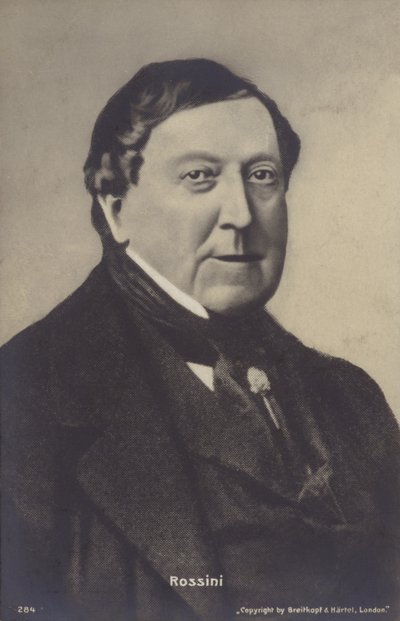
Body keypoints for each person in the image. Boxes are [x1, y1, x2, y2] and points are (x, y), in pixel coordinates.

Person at [1, 59, 399, 621]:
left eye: (262, 175)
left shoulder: (354, 400)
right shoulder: (22, 403)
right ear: (116, 208)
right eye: (199, 176)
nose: (241, 215)